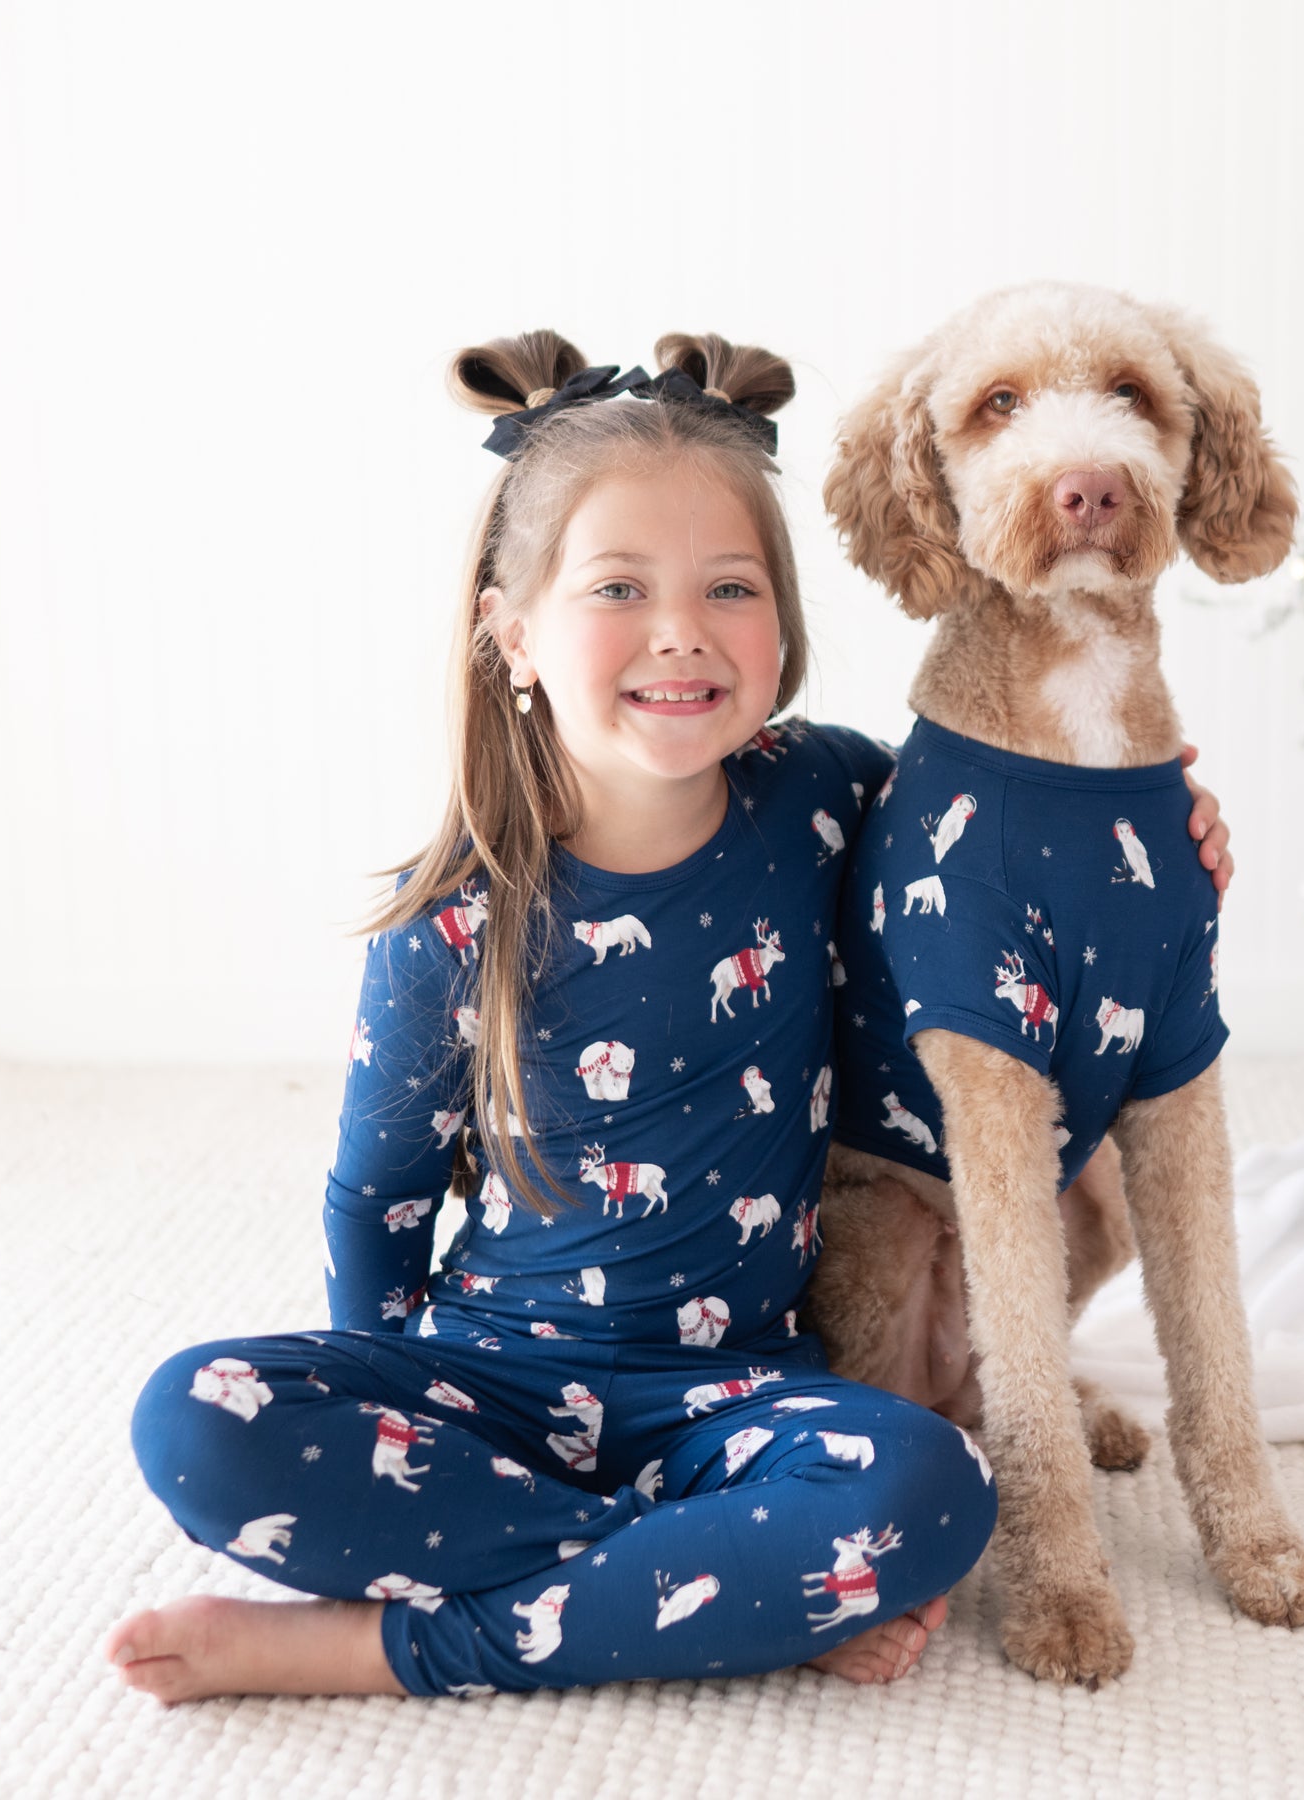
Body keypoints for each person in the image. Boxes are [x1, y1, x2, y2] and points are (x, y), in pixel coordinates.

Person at [100, 329, 1233, 1704]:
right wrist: (396, 1399)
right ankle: (698, 1591)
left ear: (783, 630)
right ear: (511, 632)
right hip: (495, 1380)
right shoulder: (450, 921)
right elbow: (376, 1205)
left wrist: (1168, 833)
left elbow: (1011, 855)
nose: (681, 630)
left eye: (729, 588)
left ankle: (398, 1641)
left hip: (736, 1394)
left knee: (931, 1492)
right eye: (619, 588)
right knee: (195, 1418)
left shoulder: (830, 804)